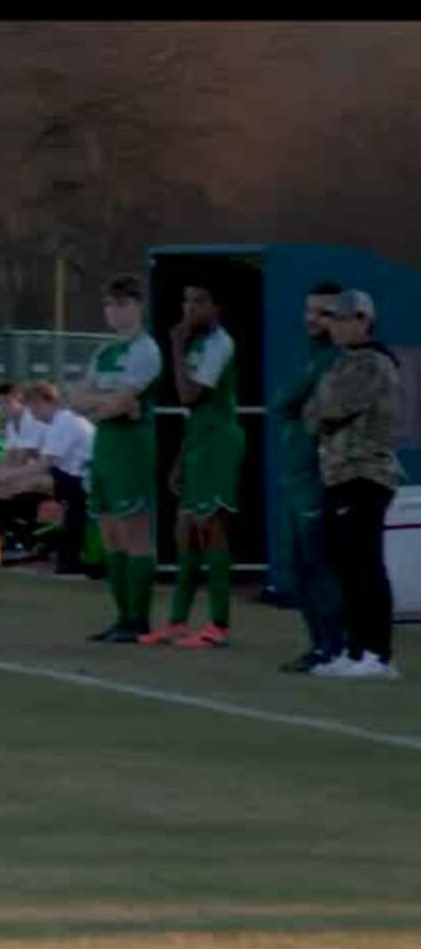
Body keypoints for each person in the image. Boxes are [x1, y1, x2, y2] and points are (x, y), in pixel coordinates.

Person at [306, 289, 405, 679]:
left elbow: (329, 408)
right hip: (337, 473)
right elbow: (311, 416)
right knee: (344, 565)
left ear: (364, 320)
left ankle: (378, 655)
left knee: (364, 564)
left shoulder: (373, 363)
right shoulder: (341, 363)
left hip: (365, 472)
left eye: (344, 318)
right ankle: (355, 647)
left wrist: (323, 409)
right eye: (333, 317)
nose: (336, 325)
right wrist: (322, 410)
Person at [140, 281, 243, 649]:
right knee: (184, 533)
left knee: (211, 529)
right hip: (198, 440)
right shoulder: (198, 344)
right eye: (186, 301)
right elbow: (190, 410)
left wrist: (175, 345)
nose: (189, 309)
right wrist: (181, 459)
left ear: (217, 307)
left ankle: (219, 624)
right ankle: (178, 622)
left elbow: (189, 394)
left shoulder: (219, 344)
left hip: (219, 441)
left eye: (199, 301)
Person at [70, 274, 163, 642]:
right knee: (109, 533)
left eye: (123, 304)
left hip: (132, 446)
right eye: (110, 305)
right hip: (105, 445)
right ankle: (122, 616)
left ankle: (139, 619)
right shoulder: (104, 352)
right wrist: (104, 405)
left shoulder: (146, 350)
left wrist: (104, 405)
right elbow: (77, 399)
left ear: (139, 306)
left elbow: (122, 402)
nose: (115, 312)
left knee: (134, 530)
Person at [268, 280, 347, 672]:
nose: (314, 319)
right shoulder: (310, 355)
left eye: (324, 312)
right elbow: (283, 401)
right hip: (295, 476)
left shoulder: (336, 359)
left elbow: (285, 401)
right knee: (299, 569)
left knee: (320, 567)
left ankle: (335, 647)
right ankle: (320, 646)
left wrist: (294, 403)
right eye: (310, 310)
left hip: (319, 478)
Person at [0, 381, 52, 560]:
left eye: (6, 403)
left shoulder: (32, 420)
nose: (3, 409)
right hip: (30, 474)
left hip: (52, 475)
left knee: (0, 487)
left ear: (19, 399)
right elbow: (7, 461)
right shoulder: (12, 425)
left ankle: (20, 541)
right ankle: (12, 540)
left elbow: (19, 460)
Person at [23, 382, 97, 577]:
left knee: (46, 484)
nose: (32, 414)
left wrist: (7, 477)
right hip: (80, 477)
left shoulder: (64, 421)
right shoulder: (57, 423)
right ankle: (66, 556)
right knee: (52, 486)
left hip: (91, 479)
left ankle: (68, 557)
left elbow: (45, 464)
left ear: (43, 402)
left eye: (32, 408)